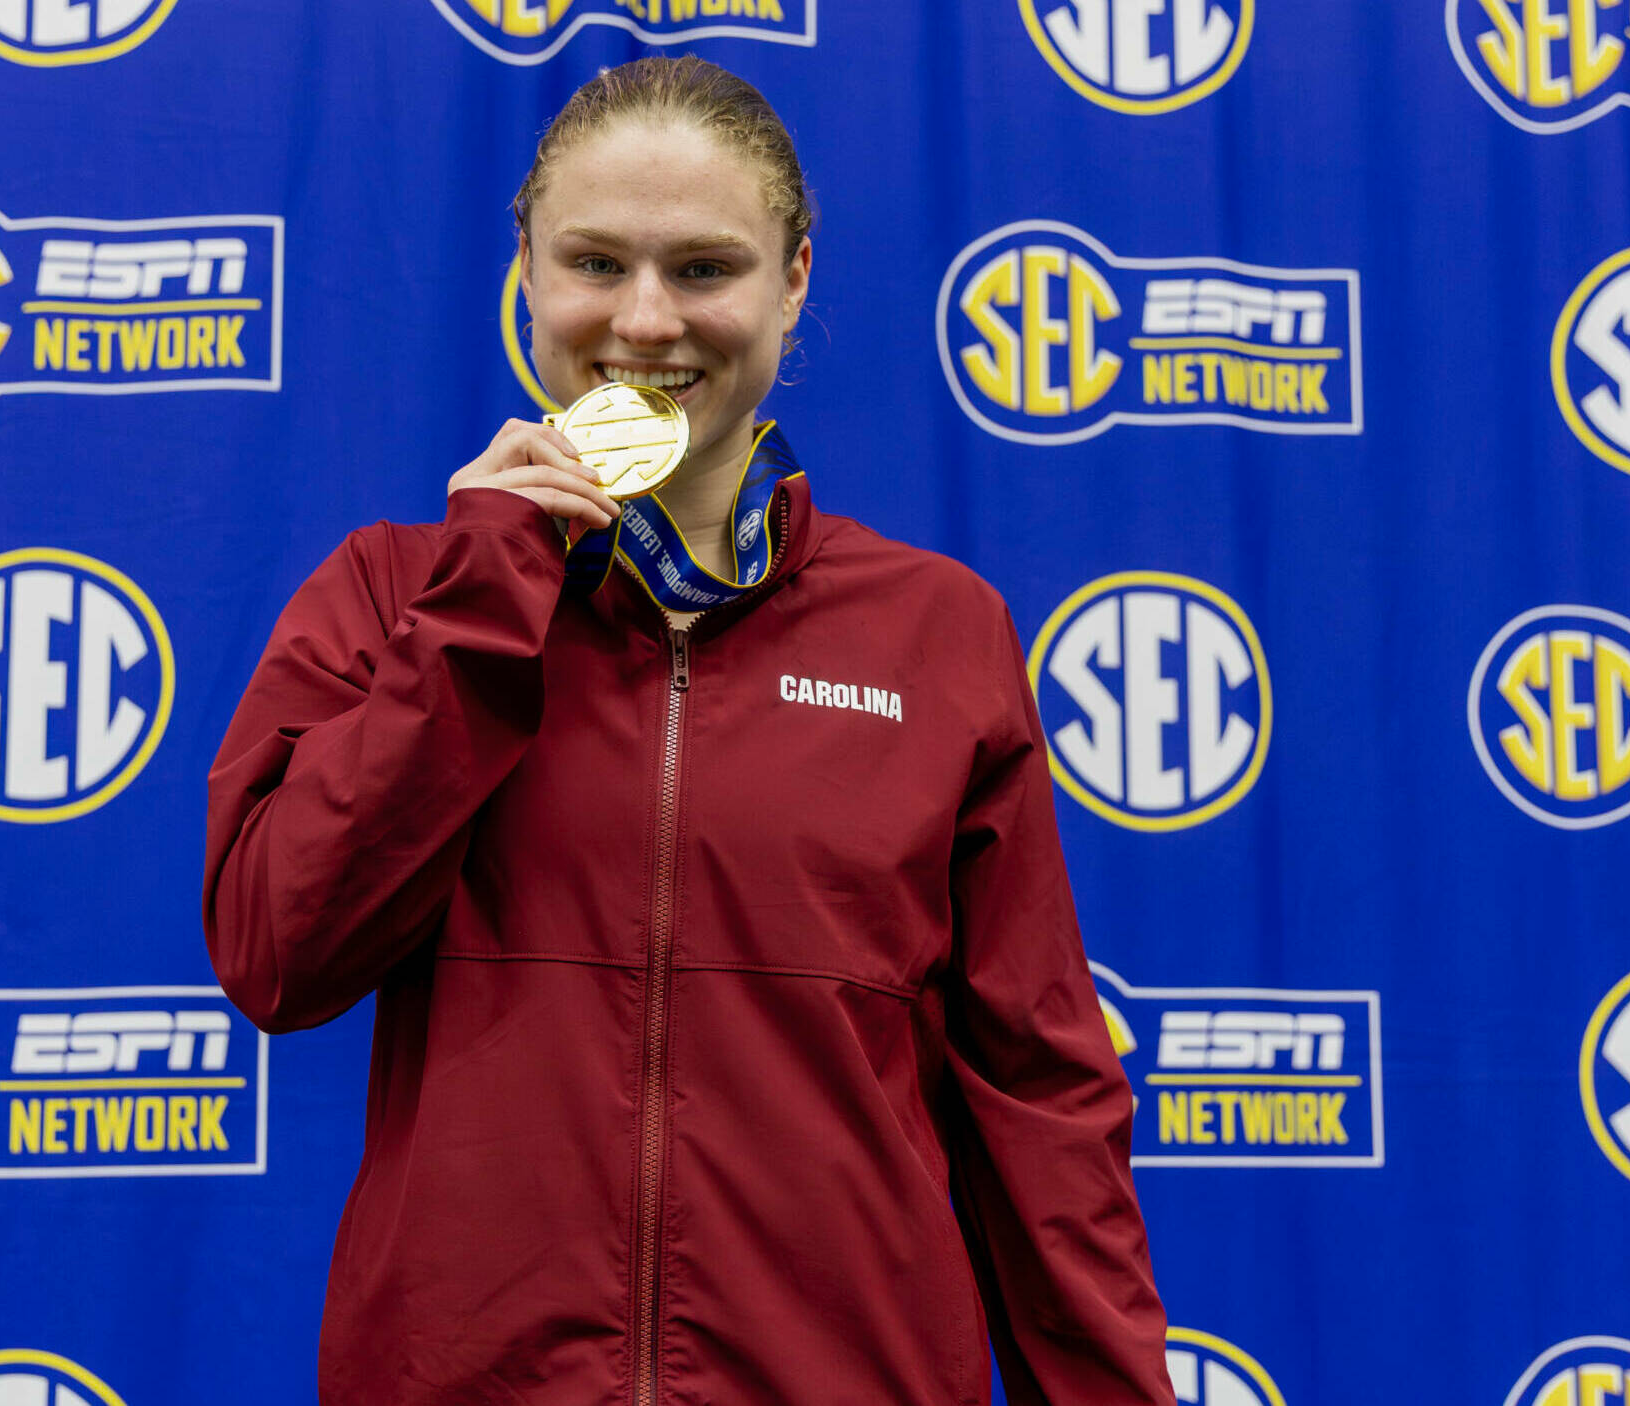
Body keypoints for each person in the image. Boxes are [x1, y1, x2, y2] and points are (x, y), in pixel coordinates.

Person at [204, 55, 1175, 1406]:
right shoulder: (392, 594)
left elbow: (1041, 1103)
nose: (645, 322)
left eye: (705, 269)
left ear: (793, 279)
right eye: (595, 262)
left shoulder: (939, 633)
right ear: (528, 271)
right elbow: (277, 951)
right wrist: (483, 605)